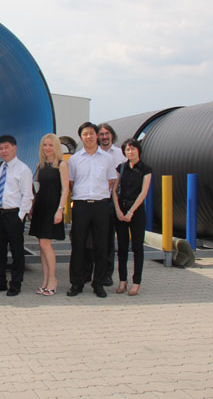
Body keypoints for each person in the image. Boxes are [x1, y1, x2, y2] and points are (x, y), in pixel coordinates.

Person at [67, 122, 117, 298]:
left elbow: (110, 181)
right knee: (78, 245)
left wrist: (99, 195)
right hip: (81, 205)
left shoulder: (107, 158)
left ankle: (99, 283)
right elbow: (71, 182)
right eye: (85, 134)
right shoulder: (74, 159)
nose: (88, 137)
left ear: (96, 135)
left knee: (101, 245)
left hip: (100, 205)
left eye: (91, 133)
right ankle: (77, 283)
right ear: (81, 137)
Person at [0, 135, 33, 296]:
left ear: (15, 147)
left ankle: (16, 283)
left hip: (14, 215)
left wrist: (20, 216)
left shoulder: (23, 169)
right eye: (0, 148)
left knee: (16, 251)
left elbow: (28, 195)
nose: (3, 151)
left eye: (7, 147)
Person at [28, 134, 69, 296]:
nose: (47, 148)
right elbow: (37, 188)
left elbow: (65, 189)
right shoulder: (40, 165)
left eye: (51, 145)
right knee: (42, 245)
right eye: (45, 145)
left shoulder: (62, 165)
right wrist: (32, 207)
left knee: (46, 244)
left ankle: (53, 279)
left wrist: (60, 209)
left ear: (56, 147)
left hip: (53, 207)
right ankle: (45, 281)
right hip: (40, 206)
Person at [112, 138, 152, 296]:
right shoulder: (121, 168)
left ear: (138, 150)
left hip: (136, 211)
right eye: (127, 149)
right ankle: (123, 280)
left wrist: (131, 212)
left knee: (137, 247)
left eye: (133, 149)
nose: (130, 152)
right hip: (121, 210)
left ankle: (136, 282)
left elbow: (143, 192)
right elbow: (114, 190)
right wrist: (118, 211)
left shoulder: (145, 169)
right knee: (121, 248)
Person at [92, 122, 127, 286]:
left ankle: (107, 274)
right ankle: (90, 271)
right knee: (93, 238)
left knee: (108, 239)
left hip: (113, 201)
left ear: (112, 135)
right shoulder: (92, 154)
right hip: (96, 200)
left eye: (107, 134)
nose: (104, 137)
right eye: (101, 134)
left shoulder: (120, 154)